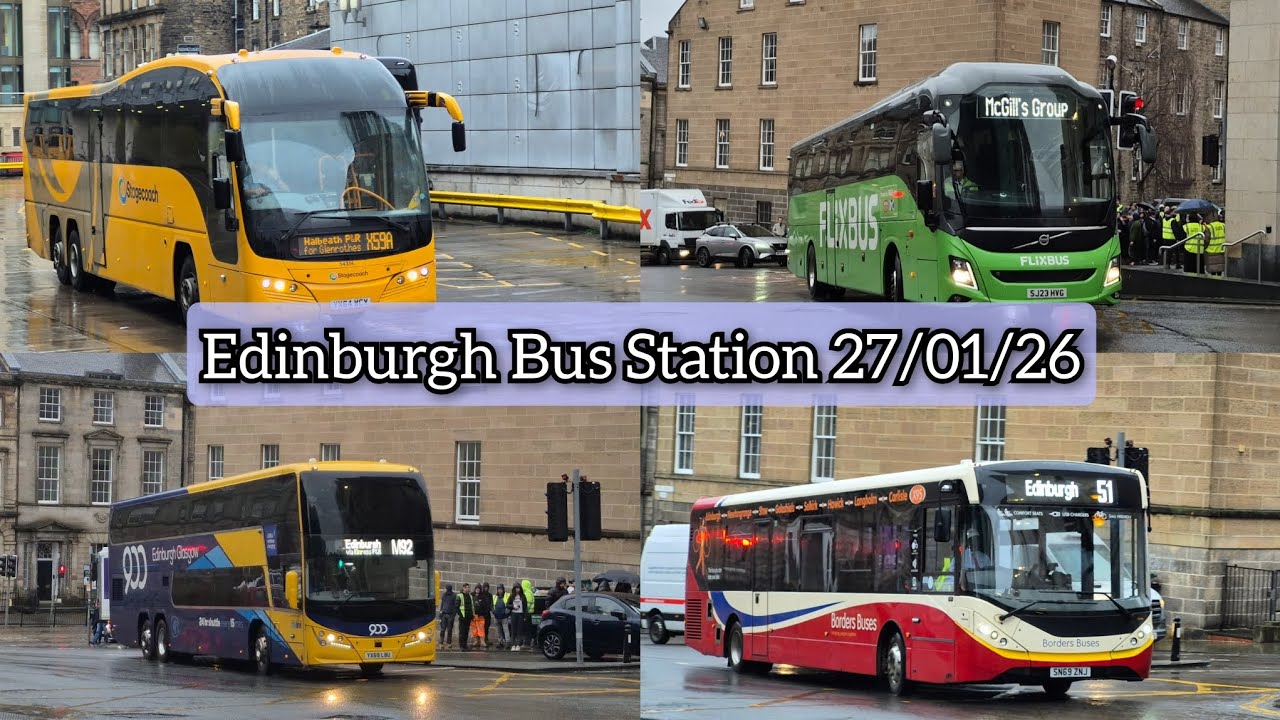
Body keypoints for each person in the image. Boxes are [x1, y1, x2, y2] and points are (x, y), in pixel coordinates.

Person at [456, 582, 474, 651]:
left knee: (466, 632)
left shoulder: (470, 596)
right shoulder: (459, 596)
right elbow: (457, 607)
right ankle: (461, 646)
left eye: (468, 587)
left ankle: (465, 645)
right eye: (466, 587)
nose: (468, 589)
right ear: (463, 588)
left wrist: (472, 615)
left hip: (468, 617)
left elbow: (472, 607)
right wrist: (461, 615)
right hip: (462, 617)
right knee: (462, 632)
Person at [493, 583, 511, 649]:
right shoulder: (494, 597)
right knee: (499, 631)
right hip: (496, 616)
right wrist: (493, 611)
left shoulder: (507, 595)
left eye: (501, 589)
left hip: (504, 617)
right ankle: (501, 642)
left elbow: (509, 605)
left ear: (503, 589)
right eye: (498, 589)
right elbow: (492, 605)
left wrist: (506, 613)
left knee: (506, 630)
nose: (500, 591)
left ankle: (508, 642)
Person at [438, 584, 457, 648]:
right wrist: (440, 613)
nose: (444, 589)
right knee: (443, 629)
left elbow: (455, 606)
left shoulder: (454, 596)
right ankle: (441, 642)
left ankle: (449, 643)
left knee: (449, 630)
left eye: (445, 588)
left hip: (450, 615)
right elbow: (442, 604)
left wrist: (453, 615)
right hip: (444, 614)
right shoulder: (444, 595)